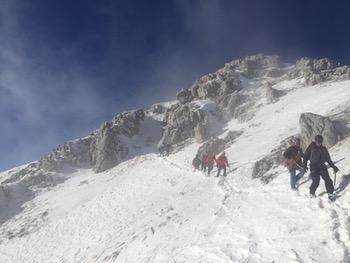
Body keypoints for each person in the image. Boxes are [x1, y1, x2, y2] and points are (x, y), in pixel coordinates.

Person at [302, 134, 339, 199]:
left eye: (320, 142)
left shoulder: (323, 149)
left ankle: (330, 194)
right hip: (314, 167)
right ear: (315, 141)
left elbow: (328, 159)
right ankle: (312, 193)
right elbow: (305, 157)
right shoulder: (311, 147)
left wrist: (333, 166)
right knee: (316, 181)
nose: (319, 143)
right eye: (317, 141)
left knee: (328, 180)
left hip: (322, 166)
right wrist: (304, 166)